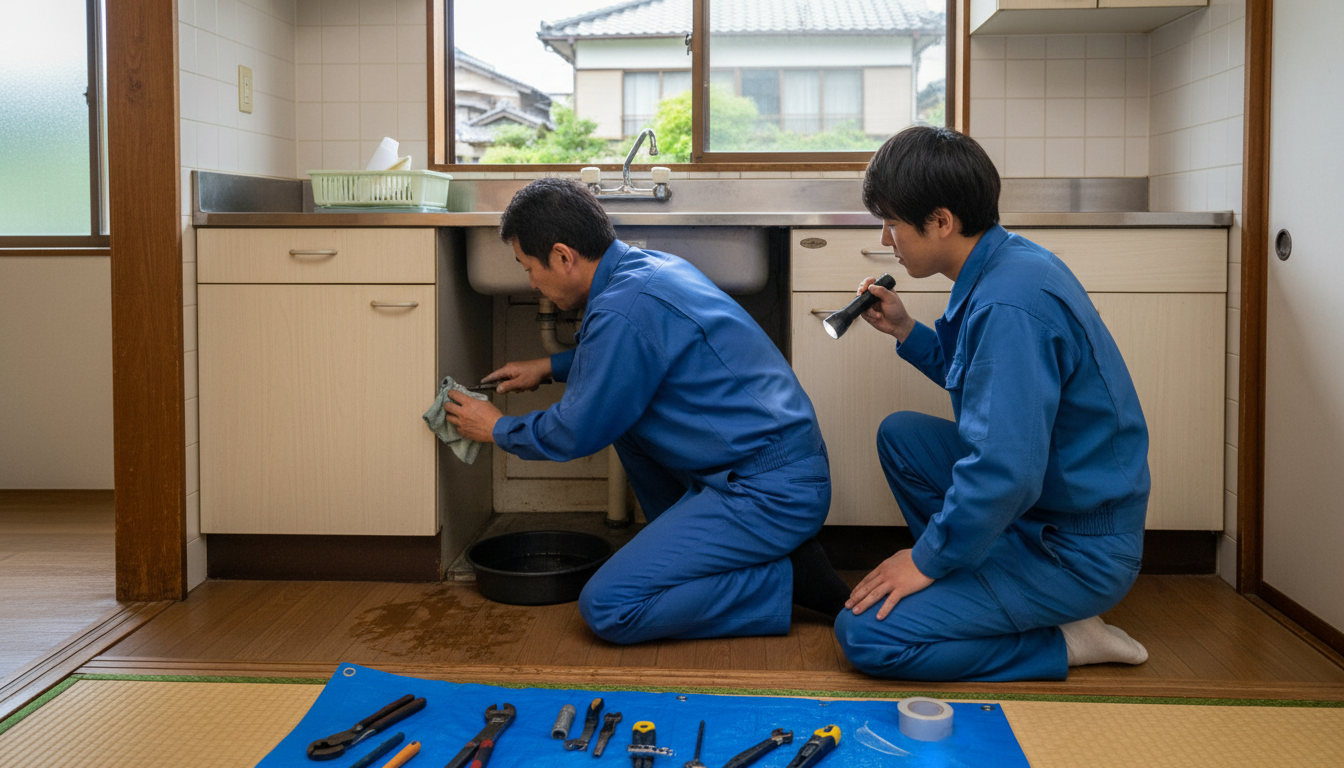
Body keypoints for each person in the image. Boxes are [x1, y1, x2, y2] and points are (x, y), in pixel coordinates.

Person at [443, 178, 848, 643]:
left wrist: (497, 429)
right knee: (629, 423)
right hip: (767, 468)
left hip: (767, 490)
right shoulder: (647, 269)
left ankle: (787, 580)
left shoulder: (621, 311)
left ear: (562, 256)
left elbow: (575, 431)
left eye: (529, 267)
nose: (530, 281)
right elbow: (630, 358)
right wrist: (550, 366)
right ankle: (696, 550)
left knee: (609, 607)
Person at [832, 125, 1152, 681]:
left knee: (867, 635)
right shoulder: (1007, 263)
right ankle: (984, 582)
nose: (887, 240)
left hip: (1077, 550)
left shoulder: (1009, 304)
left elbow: (1006, 469)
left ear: (940, 222)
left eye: (891, 223)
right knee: (902, 436)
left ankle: (1064, 639)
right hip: (1052, 505)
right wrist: (909, 331)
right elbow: (985, 384)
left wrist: (926, 560)